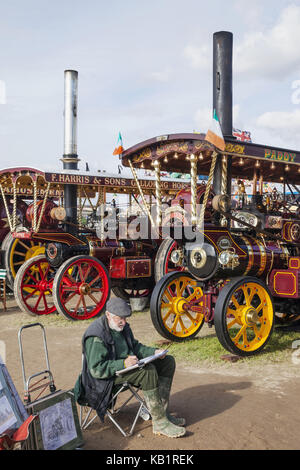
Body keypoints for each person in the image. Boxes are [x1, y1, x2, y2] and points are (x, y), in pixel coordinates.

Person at [75, 297, 186, 438]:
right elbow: (96, 370)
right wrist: (123, 364)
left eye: (125, 318)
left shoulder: (122, 327)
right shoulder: (96, 336)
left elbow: (136, 347)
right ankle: (159, 423)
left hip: (123, 370)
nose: (124, 322)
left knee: (168, 362)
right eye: (119, 318)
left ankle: (161, 413)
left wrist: (154, 352)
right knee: (148, 372)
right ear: (108, 315)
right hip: (104, 381)